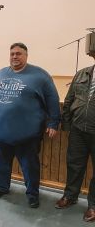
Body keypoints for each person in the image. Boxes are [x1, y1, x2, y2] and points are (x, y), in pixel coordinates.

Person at [0, 42, 60, 208]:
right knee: (0, 163)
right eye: (12, 54)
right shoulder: (0, 74)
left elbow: (53, 100)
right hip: (0, 132)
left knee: (29, 167)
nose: (15, 56)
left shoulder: (40, 76)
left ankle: (32, 194)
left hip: (27, 135)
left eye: (19, 53)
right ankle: (2, 187)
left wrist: (54, 122)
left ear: (26, 55)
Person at [55, 52, 95, 222]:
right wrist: (66, 125)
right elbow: (69, 99)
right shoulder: (82, 73)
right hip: (78, 130)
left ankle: (93, 205)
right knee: (74, 165)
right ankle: (70, 196)